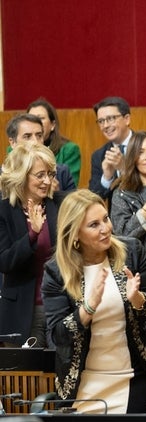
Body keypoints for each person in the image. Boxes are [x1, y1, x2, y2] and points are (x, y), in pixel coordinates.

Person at [41, 190, 146, 413]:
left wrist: (137, 299)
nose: (105, 229)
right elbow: (58, 335)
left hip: (132, 378)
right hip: (84, 384)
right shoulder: (56, 272)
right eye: (94, 225)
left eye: (106, 219)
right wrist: (88, 308)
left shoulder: (132, 251)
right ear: (75, 233)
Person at [0, 144, 65, 347]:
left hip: (61, 307)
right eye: (40, 175)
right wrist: (32, 235)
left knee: (61, 375)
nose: (47, 181)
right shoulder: (4, 212)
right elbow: (5, 261)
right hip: (24, 310)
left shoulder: (61, 205)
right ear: (22, 176)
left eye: (50, 174)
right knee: (27, 376)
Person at [5, 113, 75, 191]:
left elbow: (74, 202)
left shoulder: (61, 173)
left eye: (39, 135)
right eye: (27, 136)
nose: (35, 141)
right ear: (12, 143)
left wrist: (56, 195)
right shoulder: (3, 176)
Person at [89, 97, 135, 204]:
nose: (105, 126)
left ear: (127, 119)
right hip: (115, 219)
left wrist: (124, 169)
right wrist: (107, 178)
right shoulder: (99, 156)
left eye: (110, 119)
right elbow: (93, 200)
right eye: (101, 121)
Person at [27, 98, 82, 186]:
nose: (35, 123)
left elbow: (71, 190)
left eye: (40, 118)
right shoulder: (14, 150)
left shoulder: (69, 150)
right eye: (31, 119)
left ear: (53, 125)